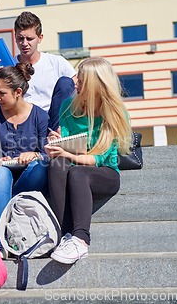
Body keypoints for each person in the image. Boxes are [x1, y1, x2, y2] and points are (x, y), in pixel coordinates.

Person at [45, 57, 132, 264]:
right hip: (74, 166)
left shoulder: (115, 113)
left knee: (77, 171)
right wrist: (56, 143)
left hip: (105, 173)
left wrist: (69, 154)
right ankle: (65, 234)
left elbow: (100, 157)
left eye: (81, 80)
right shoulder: (68, 106)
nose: (76, 83)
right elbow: (66, 143)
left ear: (95, 85)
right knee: (57, 163)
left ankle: (81, 239)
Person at [0, 62, 49, 254]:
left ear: (18, 92)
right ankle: (1, 238)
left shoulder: (40, 116)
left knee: (41, 164)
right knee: (1, 172)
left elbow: (48, 153)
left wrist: (35, 154)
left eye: (2, 93)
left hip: (29, 178)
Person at [0, 11, 77, 130]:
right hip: (22, 123)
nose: (24, 43)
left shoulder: (57, 62)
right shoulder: (9, 67)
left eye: (29, 39)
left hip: (52, 122)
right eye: (20, 38)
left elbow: (78, 88)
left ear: (40, 38)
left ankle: (58, 136)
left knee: (66, 83)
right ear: (15, 37)